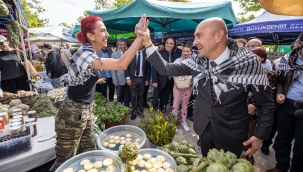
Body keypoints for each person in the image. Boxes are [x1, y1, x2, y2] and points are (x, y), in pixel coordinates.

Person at [137, 17, 274, 157]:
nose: (195, 43)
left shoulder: (248, 62)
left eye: (199, 36)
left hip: (232, 134)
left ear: (218, 36)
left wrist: (260, 135)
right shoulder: (197, 62)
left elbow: (266, 103)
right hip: (204, 128)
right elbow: (165, 69)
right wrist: (148, 43)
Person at [49, 15, 148, 171]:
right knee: (64, 161)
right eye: (102, 30)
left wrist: (93, 81)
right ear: (90, 35)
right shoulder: (84, 53)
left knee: (90, 151)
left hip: (85, 110)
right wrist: (139, 38)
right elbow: (121, 64)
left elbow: (75, 77)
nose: (107, 34)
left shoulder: (90, 53)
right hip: (72, 114)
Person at [266, 31, 303, 172]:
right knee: (282, 140)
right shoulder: (288, 59)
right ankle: (281, 167)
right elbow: (280, 81)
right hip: (286, 105)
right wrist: (280, 93)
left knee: (301, 145)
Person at [151, 37, 178, 111]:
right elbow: (154, 68)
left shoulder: (175, 55)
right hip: (159, 81)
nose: (168, 45)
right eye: (167, 43)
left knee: (164, 101)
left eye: (170, 43)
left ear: (174, 45)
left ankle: (162, 114)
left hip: (170, 82)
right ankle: (154, 115)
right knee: (155, 101)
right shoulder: (159, 54)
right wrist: (154, 81)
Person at [172, 42, 193, 132]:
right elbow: (172, 72)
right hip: (177, 85)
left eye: (187, 51)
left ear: (191, 52)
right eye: (184, 51)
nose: (185, 53)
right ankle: (174, 122)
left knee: (185, 104)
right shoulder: (177, 61)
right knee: (175, 104)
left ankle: (183, 121)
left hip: (189, 86)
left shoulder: (194, 62)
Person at [125, 44, 150, 120]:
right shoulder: (131, 54)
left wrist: (147, 79)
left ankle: (140, 111)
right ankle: (134, 111)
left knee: (141, 96)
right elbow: (126, 66)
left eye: (141, 43)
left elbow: (148, 68)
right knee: (133, 96)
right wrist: (128, 78)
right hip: (133, 79)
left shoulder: (146, 54)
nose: (139, 45)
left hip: (142, 79)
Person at [111, 38, 131, 107]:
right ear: (118, 45)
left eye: (124, 44)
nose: (122, 46)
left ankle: (126, 107)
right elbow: (112, 68)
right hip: (119, 79)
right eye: (120, 45)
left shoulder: (129, 53)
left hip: (128, 79)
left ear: (126, 45)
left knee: (127, 95)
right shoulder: (114, 54)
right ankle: (120, 109)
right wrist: (115, 80)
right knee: (119, 96)